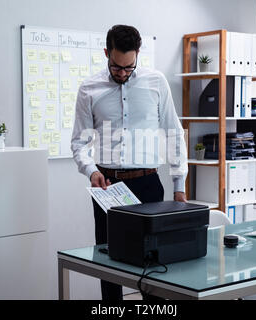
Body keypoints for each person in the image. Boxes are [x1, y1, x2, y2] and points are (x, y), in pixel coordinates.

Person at [71, 24, 188, 300]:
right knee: (109, 260)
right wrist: (90, 171)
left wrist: (179, 183)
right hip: (107, 187)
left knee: (154, 265)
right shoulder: (89, 89)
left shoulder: (156, 82)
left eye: (129, 67)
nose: (122, 73)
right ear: (106, 54)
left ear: (137, 55)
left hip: (148, 185)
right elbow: (78, 143)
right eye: (116, 67)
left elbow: (173, 132)